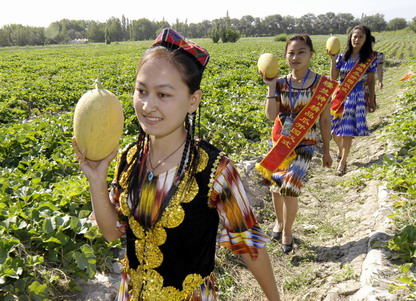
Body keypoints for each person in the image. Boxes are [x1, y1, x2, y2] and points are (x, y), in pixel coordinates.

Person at [72, 28, 280, 301]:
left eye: (164, 95)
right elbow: (112, 233)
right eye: (141, 91)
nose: (147, 106)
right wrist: (96, 179)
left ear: (193, 100)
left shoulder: (216, 170)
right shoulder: (130, 158)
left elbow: (249, 246)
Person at [256, 34, 335, 254]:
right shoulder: (280, 83)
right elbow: (272, 116)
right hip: (281, 143)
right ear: (285, 56)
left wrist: (327, 151)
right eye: (291, 53)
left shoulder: (322, 84)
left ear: (311, 54)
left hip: (305, 145)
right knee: (275, 187)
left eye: (301, 52)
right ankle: (279, 222)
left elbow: (325, 120)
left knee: (289, 187)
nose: (295, 57)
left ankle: (287, 231)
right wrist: (271, 88)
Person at [328, 25, 378, 176]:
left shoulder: (369, 59)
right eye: (354, 36)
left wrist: (372, 100)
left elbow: (370, 81)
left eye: (360, 37)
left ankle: (343, 162)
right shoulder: (341, 57)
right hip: (339, 96)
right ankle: (340, 149)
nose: (357, 39)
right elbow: (333, 78)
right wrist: (332, 59)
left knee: (347, 131)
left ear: (365, 40)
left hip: (356, 96)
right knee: (334, 130)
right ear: (350, 38)